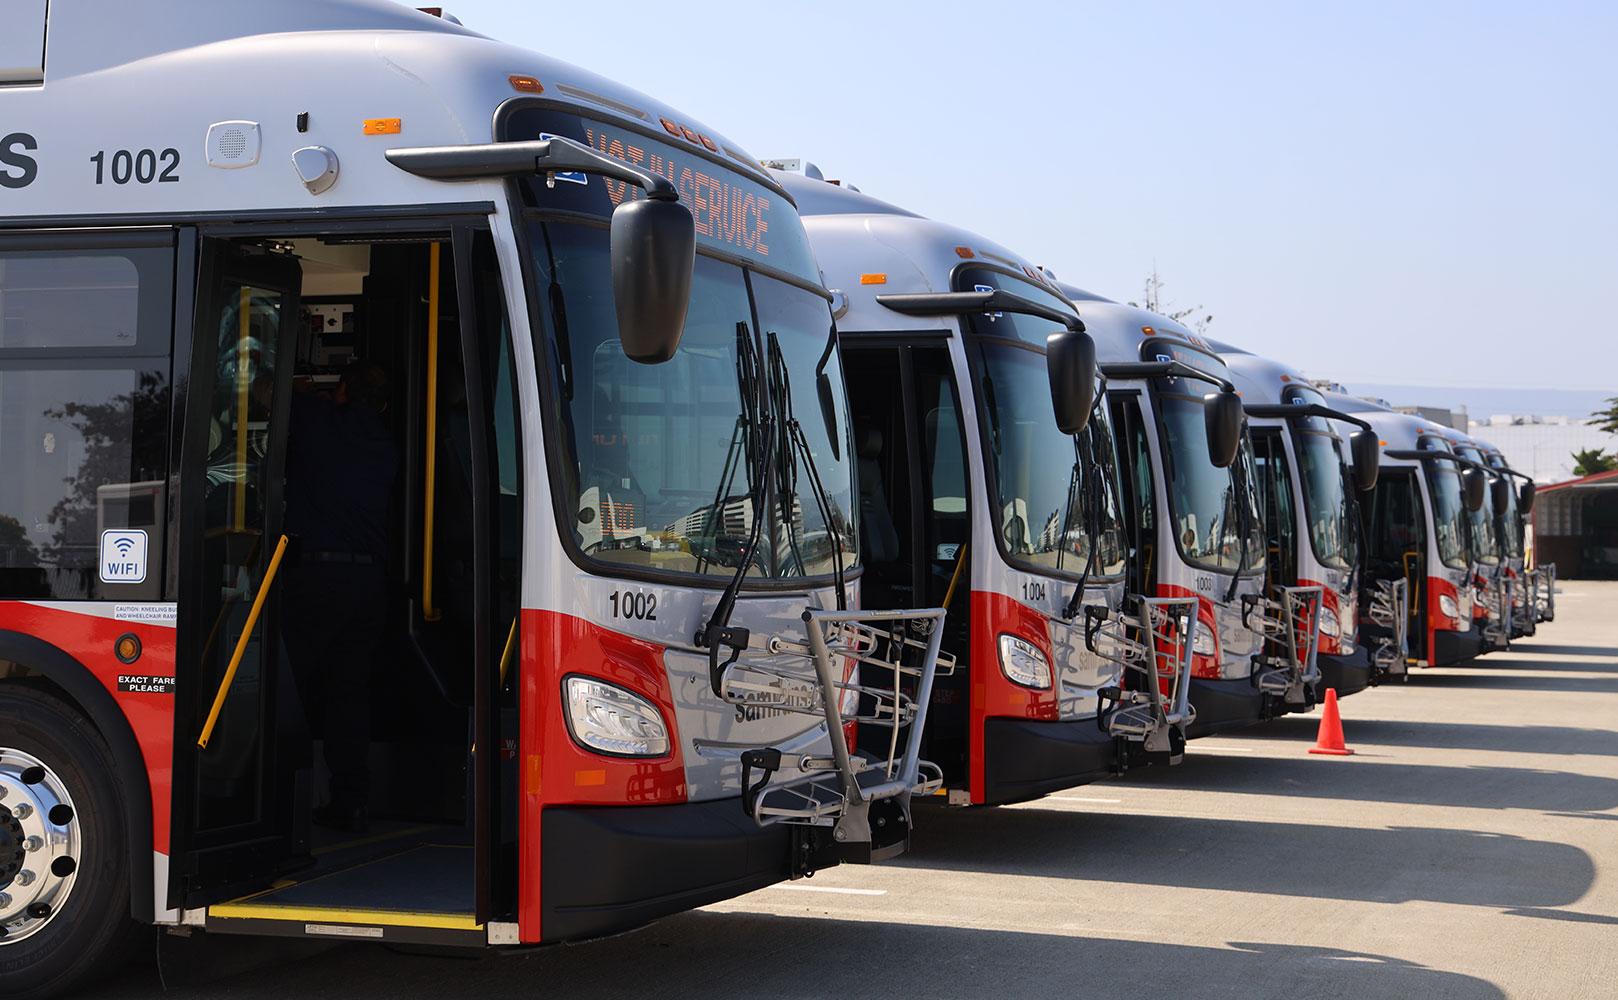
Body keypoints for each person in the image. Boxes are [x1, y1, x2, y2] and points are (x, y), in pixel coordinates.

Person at [282, 360, 398, 832]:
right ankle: (349, 798)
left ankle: (279, 804)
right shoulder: (386, 445)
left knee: (292, 688)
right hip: (368, 584)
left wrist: (305, 390)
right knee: (348, 694)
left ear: (343, 389)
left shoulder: (316, 422)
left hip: (314, 577)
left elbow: (266, 393)